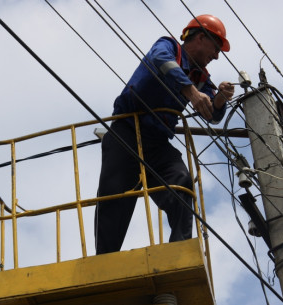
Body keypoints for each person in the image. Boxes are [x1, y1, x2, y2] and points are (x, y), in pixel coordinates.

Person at [94, 14, 235, 255]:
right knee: (115, 198)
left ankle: (180, 253)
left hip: (157, 143)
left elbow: (212, 114)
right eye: (216, 47)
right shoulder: (169, 47)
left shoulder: (199, 77)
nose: (216, 55)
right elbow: (160, 60)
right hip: (127, 131)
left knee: (181, 183)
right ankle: (104, 261)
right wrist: (191, 92)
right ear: (201, 38)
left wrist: (220, 97)